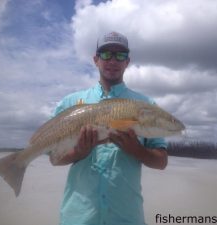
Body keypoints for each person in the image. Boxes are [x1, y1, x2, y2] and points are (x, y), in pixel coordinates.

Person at [51, 31, 168, 225]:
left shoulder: (147, 105)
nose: (112, 60)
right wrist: (79, 151)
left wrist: (136, 150)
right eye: (106, 54)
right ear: (96, 60)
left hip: (127, 218)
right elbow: (55, 159)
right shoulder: (70, 104)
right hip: (78, 217)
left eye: (120, 55)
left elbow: (161, 162)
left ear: (127, 62)